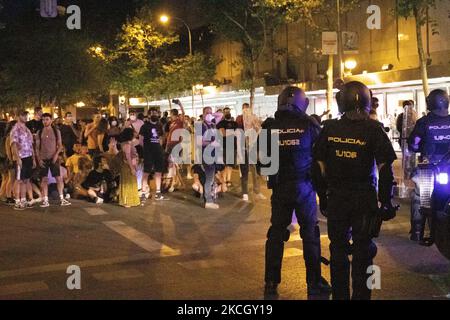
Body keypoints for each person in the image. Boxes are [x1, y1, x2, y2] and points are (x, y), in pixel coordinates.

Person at [313, 81, 397, 300]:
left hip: (337, 198)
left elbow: (318, 166)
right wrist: (385, 201)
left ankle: (340, 296)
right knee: (364, 251)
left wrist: (323, 197)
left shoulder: (330, 127)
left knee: (338, 250)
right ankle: (362, 295)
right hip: (364, 200)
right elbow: (385, 169)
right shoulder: (373, 129)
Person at [262, 86, 330, 298]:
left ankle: (271, 281)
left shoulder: (270, 126)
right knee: (310, 234)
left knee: (276, 234)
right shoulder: (309, 125)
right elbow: (321, 159)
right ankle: (314, 281)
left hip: (281, 188)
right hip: (304, 188)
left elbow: (263, 164)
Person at [408, 89, 450, 243]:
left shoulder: (424, 122)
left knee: (420, 198)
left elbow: (413, 143)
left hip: (429, 168)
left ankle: (417, 233)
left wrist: (417, 147)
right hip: (448, 168)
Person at [36, 113, 71, 207]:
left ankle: (62, 198)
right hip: (43, 158)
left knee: (58, 178)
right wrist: (39, 159)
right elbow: (37, 147)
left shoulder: (56, 131)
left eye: (47, 119)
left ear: (51, 120)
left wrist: (56, 155)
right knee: (44, 179)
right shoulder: (39, 132)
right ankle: (45, 200)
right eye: (43, 120)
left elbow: (60, 145)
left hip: (53, 158)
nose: (45, 121)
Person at [236, 103, 265, 201]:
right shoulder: (239, 118)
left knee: (255, 171)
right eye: (244, 109)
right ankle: (245, 192)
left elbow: (258, 130)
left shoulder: (253, 117)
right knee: (244, 171)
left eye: (247, 109)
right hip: (243, 147)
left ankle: (257, 190)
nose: (246, 111)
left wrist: (256, 125)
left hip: (252, 146)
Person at [10, 111, 36, 210]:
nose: (25, 117)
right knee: (19, 180)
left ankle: (23, 200)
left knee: (26, 180)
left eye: (26, 115)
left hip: (28, 156)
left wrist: (33, 158)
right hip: (21, 157)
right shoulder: (16, 129)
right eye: (23, 115)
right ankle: (17, 201)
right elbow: (13, 145)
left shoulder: (27, 129)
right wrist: (17, 158)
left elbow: (31, 145)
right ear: (17, 116)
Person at [139, 108, 165, 201]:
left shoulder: (159, 125)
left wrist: (159, 148)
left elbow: (161, 138)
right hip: (148, 152)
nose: (154, 114)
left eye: (156, 113)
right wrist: (147, 149)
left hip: (158, 152)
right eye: (152, 113)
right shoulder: (145, 126)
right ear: (149, 115)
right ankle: (143, 192)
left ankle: (158, 192)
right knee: (146, 172)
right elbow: (141, 140)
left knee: (158, 171)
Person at [198, 107, 220, 209]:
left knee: (211, 178)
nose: (209, 114)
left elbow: (221, 115)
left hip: (213, 154)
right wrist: (212, 143)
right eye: (207, 113)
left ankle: (209, 197)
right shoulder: (201, 126)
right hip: (206, 154)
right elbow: (200, 142)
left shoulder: (211, 124)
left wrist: (212, 114)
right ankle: (208, 201)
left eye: (210, 113)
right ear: (203, 114)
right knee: (209, 178)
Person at [118, 128, 140, 208]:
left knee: (131, 183)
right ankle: (126, 201)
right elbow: (128, 157)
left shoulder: (128, 143)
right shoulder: (127, 144)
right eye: (133, 132)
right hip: (127, 166)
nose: (135, 133)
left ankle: (130, 200)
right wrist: (132, 168)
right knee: (128, 183)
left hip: (130, 165)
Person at [216, 107, 238, 187]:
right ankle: (223, 180)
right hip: (224, 146)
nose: (227, 113)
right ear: (224, 113)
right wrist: (232, 133)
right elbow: (223, 133)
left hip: (233, 146)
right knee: (224, 164)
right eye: (225, 112)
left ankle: (228, 179)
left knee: (230, 164)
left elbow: (238, 133)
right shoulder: (221, 123)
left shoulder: (235, 123)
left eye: (228, 111)